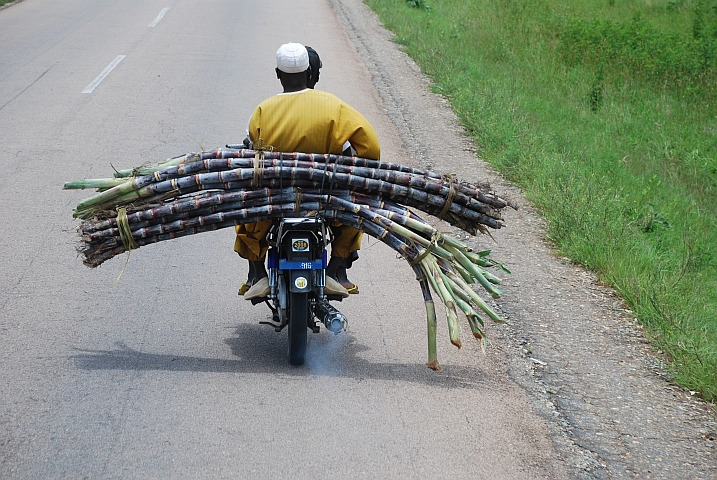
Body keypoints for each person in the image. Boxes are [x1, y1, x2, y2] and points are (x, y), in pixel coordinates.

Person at [236, 43, 381, 301]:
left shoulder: (263, 110)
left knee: (246, 208)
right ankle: (335, 271)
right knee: (356, 209)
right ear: (309, 73)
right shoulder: (334, 106)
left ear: (278, 74)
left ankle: (257, 274)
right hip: (325, 196)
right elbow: (370, 147)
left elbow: (252, 151)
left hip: (275, 198)